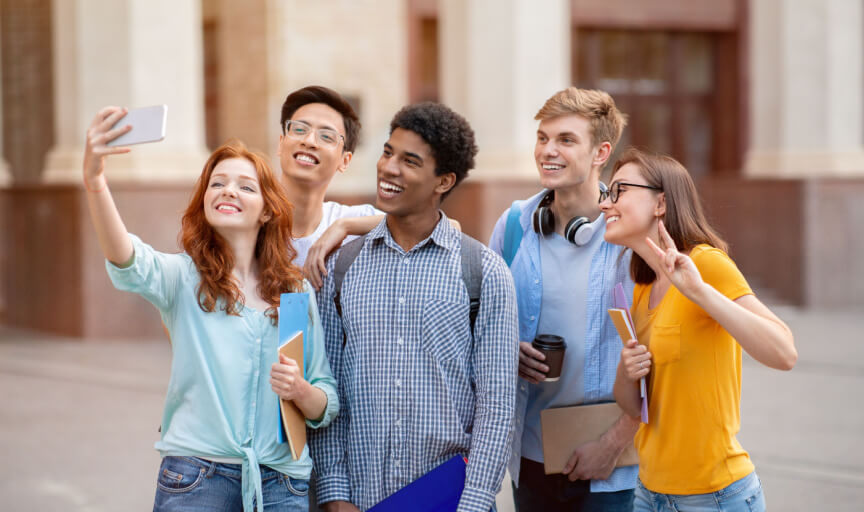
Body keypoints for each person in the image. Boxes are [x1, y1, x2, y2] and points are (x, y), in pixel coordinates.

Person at [83, 106, 338, 512]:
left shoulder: (293, 290)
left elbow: (326, 397)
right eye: (217, 183)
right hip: (197, 479)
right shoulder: (182, 279)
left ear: (269, 209)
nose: (228, 191)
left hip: (281, 484)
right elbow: (127, 259)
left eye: (245, 186)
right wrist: (95, 180)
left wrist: (302, 392)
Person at [310, 102, 519, 512]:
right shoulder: (342, 267)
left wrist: (474, 502)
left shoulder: (483, 272)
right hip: (361, 498)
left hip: (451, 499)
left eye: (410, 161)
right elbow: (326, 385)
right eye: (388, 153)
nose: (388, 168)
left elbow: (496, 404)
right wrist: (335, 492)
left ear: (443, 180)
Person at [604, 148, 797, 512]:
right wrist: (626, 372)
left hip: (714, 498)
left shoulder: (705, 264)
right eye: (606, 193)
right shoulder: (641, 289)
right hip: (649, 493)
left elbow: (784, 352)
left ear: (661, 203)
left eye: (619, 191)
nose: (605, 205)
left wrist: (700, 292)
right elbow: (636, 407)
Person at [488, 87, 638, 511]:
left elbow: (664, 356)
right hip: (530, 456)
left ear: (600, 152)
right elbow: (482, 319)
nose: (547, 151)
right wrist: (504, 349)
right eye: (542, 138)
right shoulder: (514, 224)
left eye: (566, 140)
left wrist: (613, 443)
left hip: (610, 465)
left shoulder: (630, 235)